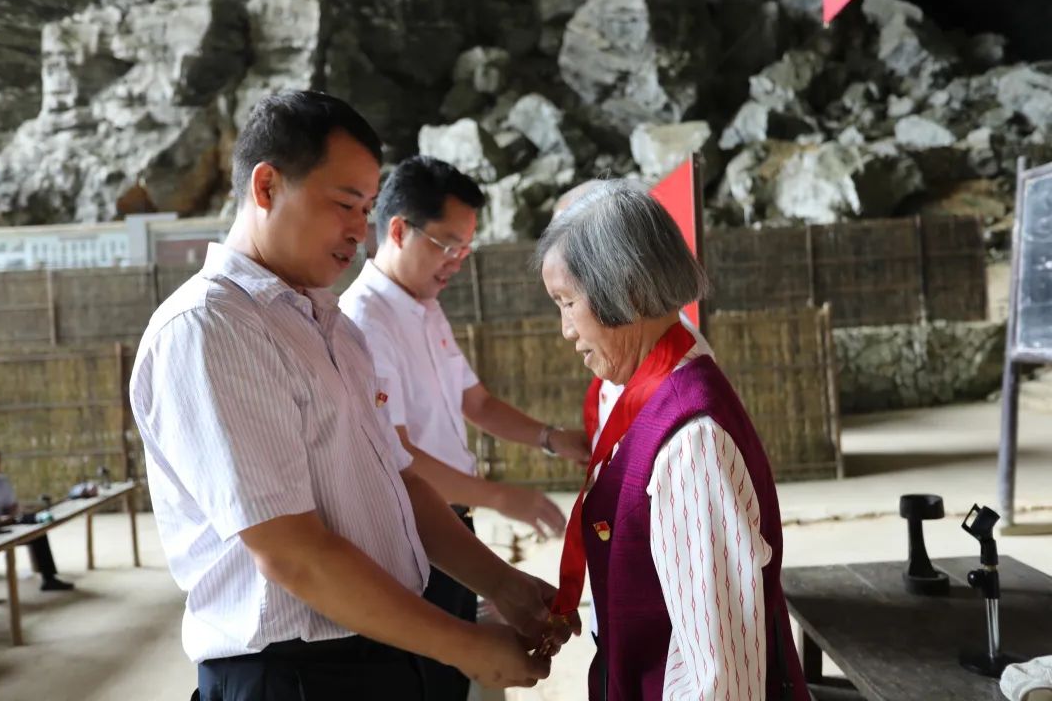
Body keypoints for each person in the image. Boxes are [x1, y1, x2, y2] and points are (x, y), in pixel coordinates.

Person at [129, 91, 571, 701]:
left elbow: (402, 480)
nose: (359, 231)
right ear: (266, 187)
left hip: (379, 644)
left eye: (365, 208)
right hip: (296, 673)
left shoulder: (330, 326)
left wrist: (502, 583)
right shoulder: (212, 329)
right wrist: (466, 647)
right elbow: (293, 554)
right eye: (343, 204)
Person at [537, 180, 810, 701]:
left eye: (567, 302)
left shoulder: (691, 442)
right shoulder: (652, 392)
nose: (566, 329)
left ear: (627, 291)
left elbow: (718, 678)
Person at [340, 155, 590, 701]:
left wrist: (552, 439)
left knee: (461, 675)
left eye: (465, 248)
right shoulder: (364, 321)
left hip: (454, 522)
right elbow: (398, 457)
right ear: (398, 230)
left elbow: (476, 402)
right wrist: (503, 496)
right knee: (430, 675)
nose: (456, 261)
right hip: (416, 532)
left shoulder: (425, 307)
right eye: (447, 245)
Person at [0, 449, 75, 609]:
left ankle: (49, 579)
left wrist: (11, 513)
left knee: (37, 534)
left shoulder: (2, 482)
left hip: (1, 525)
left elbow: (12, 506)